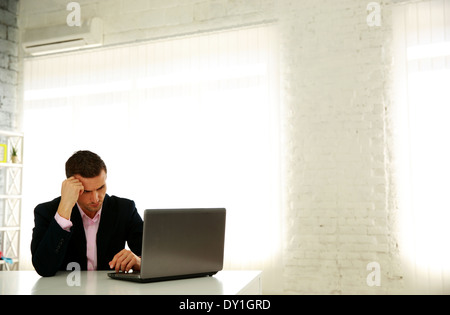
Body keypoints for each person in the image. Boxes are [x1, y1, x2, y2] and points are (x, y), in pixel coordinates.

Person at [31, 150, 143, 277]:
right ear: (71, 187)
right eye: (86, 191)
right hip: (67, 289)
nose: (95, 199)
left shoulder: (125, 209)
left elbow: (155, 257)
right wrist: (65, 207)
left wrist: (139, 262)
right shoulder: (46, 211)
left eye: (101, 188)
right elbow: (43, 268)